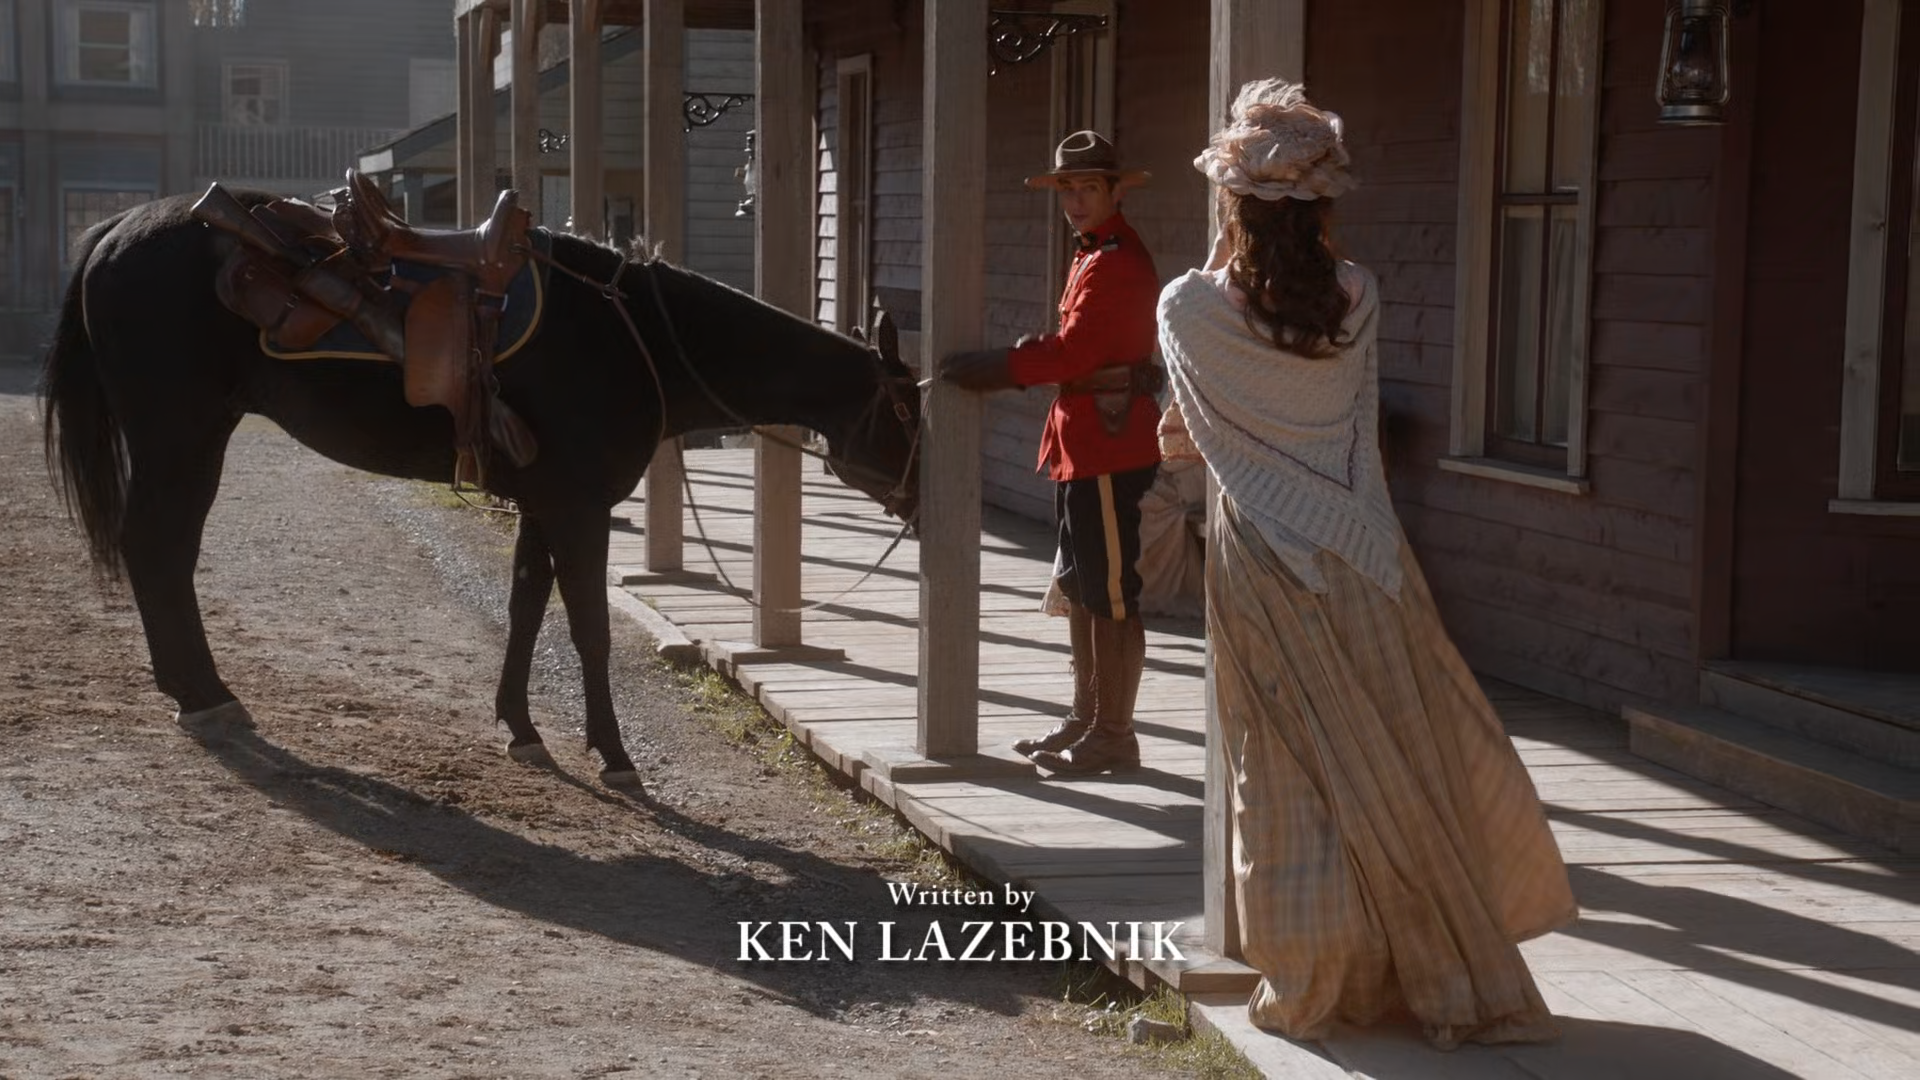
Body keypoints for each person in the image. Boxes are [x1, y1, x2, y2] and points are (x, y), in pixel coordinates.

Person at [1156, 80, 1577, 1048]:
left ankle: (1325, 970)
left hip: (1266, 553)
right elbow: (1355, 433)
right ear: (1323, 206)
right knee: (1401, 762)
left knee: (1289, 770)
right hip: (1366, 551)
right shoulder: (1359, 293)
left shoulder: (1188, 306)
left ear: (1233, 201)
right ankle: (1434, 964)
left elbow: (1190, 432)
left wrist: (1224, 248)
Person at [941, 130, 1163, 776]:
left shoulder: (1116, 261)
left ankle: (1114, 734)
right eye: (1067, 190)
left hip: (1111, 443)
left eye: (1088, 188)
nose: (1075, 202)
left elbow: (1075, 354)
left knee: (1111, 592)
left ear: (1116, 191)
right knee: (1082, 585)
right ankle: (1087, 718)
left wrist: (1002, 367)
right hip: (1084, 439)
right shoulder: (1092, 252)